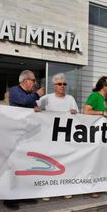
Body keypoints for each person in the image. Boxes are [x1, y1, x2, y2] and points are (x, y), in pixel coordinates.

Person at [35, 73, 78, 201]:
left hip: (65, 137)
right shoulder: (46, 98)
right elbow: (36, 109)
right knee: (49, 163)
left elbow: (76, 116)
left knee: (65, 162)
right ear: (54, 85)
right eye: (59, 84)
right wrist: (37, 109)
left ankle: (64, 189)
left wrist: (74, 113)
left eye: (64, 84)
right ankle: (46, 190)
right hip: (49, 137)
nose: (62, 86)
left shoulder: (70, 99)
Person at [6, 70, 45, 210]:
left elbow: (33, 107)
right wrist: (37, 94)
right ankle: (9, 198)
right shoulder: (15, 91)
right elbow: (23, 101)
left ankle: (23, 194)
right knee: (14, 166)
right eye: (33, 80)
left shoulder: (30, 95)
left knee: (24, 165)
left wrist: (38, 109)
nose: (35, 84)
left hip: (27, 135)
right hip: (15, 135)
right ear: (25, 81)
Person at [83, 76, 107, 198]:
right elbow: (86, 111)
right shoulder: (95, 96)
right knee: (93, 161)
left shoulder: (103, 98)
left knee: (101, 160)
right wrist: (101, 113)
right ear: (104, 86)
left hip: (102, 135)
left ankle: (100, 185)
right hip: (94, 134)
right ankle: (90, 188)